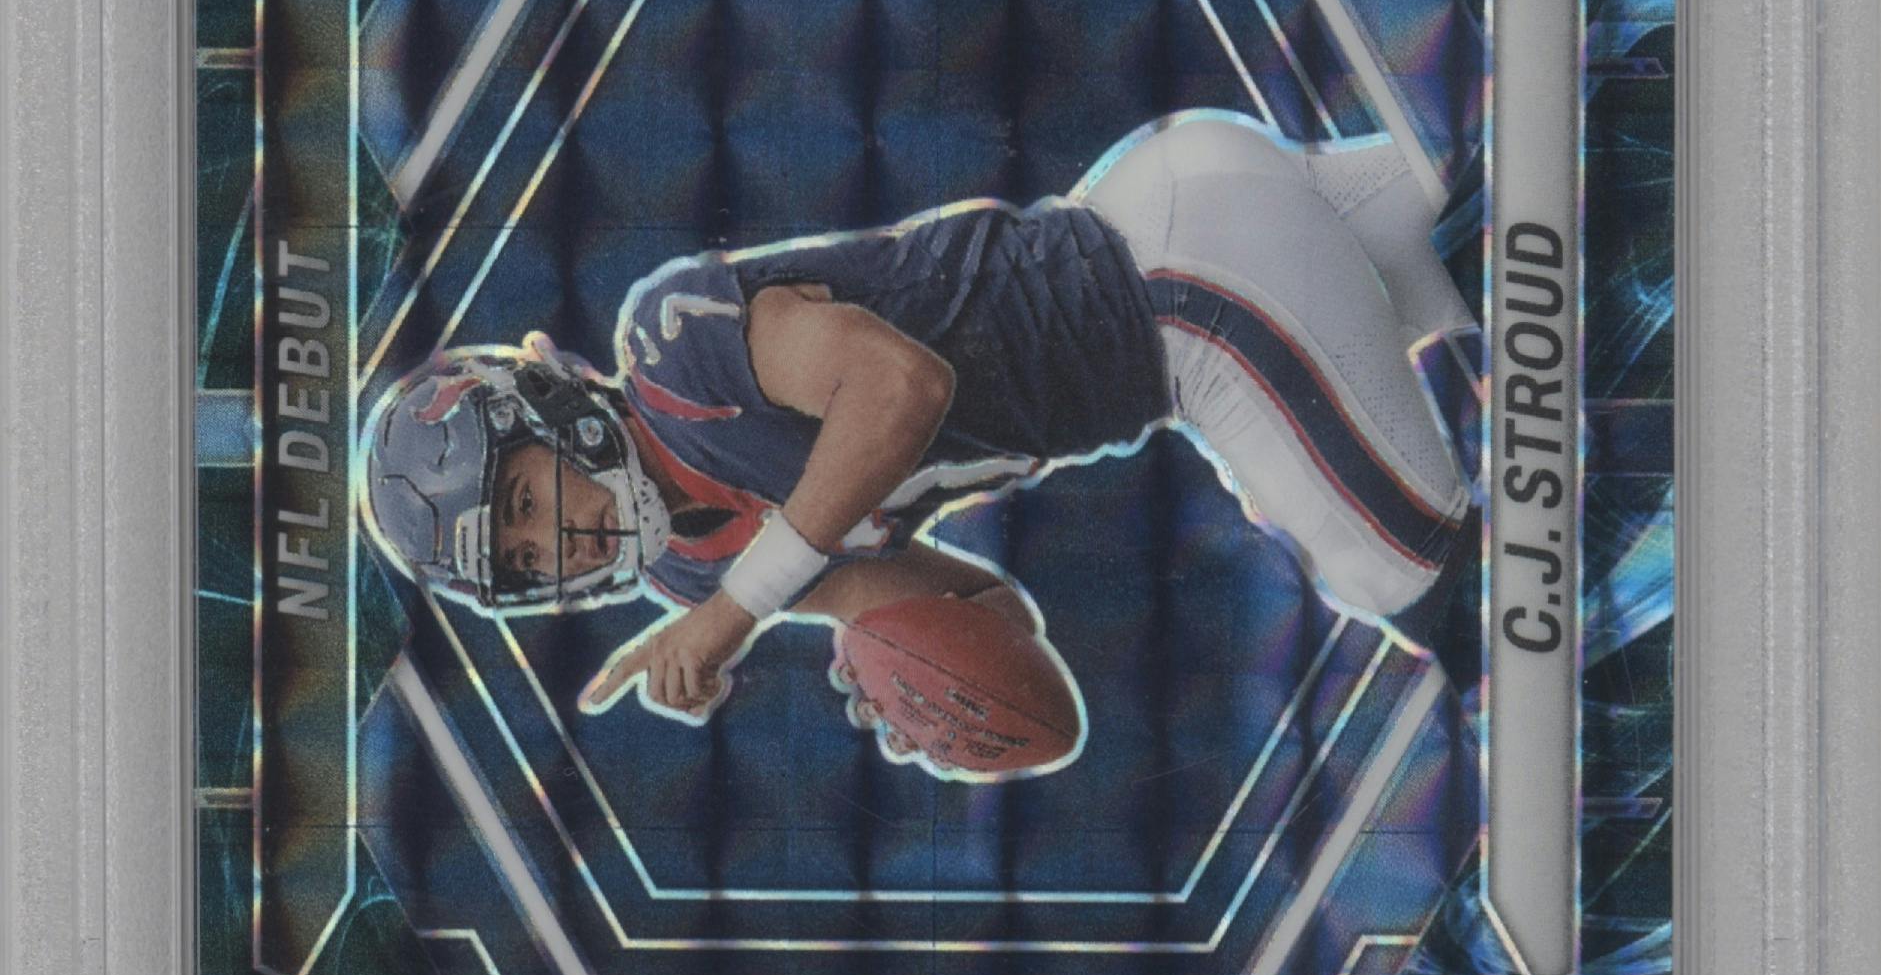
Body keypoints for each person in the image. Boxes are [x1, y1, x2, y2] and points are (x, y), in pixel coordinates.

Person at [363, 110, 1472, 774]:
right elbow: (986, 607)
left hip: (1181, 289)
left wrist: (741, 608)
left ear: (547, 409)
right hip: (1199, 254)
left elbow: (901, 386)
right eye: (524, 560)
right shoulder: (690, 572)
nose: (556, 541)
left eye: (524, 502)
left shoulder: (673, 353)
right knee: (1530, 227)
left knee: (1421, 583)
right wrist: (922, 679)